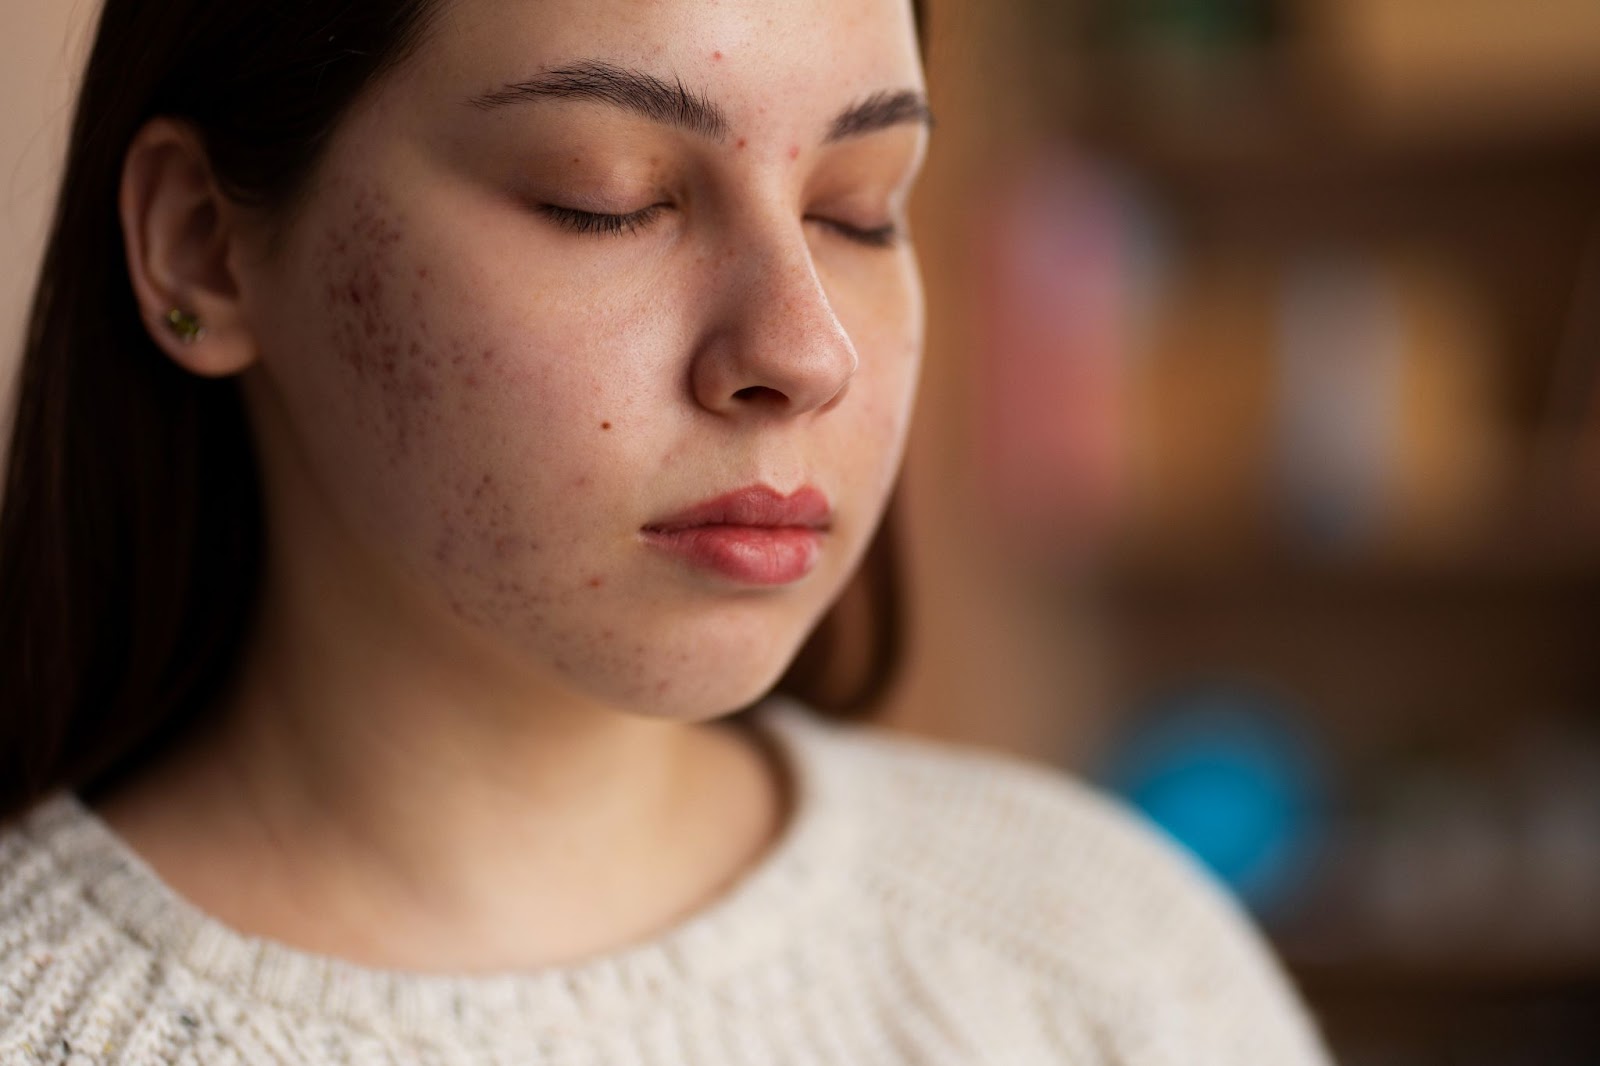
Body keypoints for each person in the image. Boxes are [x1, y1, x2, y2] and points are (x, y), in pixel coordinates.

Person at [0, 0, 1333, 1062]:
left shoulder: (1108, 955)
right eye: (609, 195)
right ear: (201, 248)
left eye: (857, 211)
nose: (804, 352)